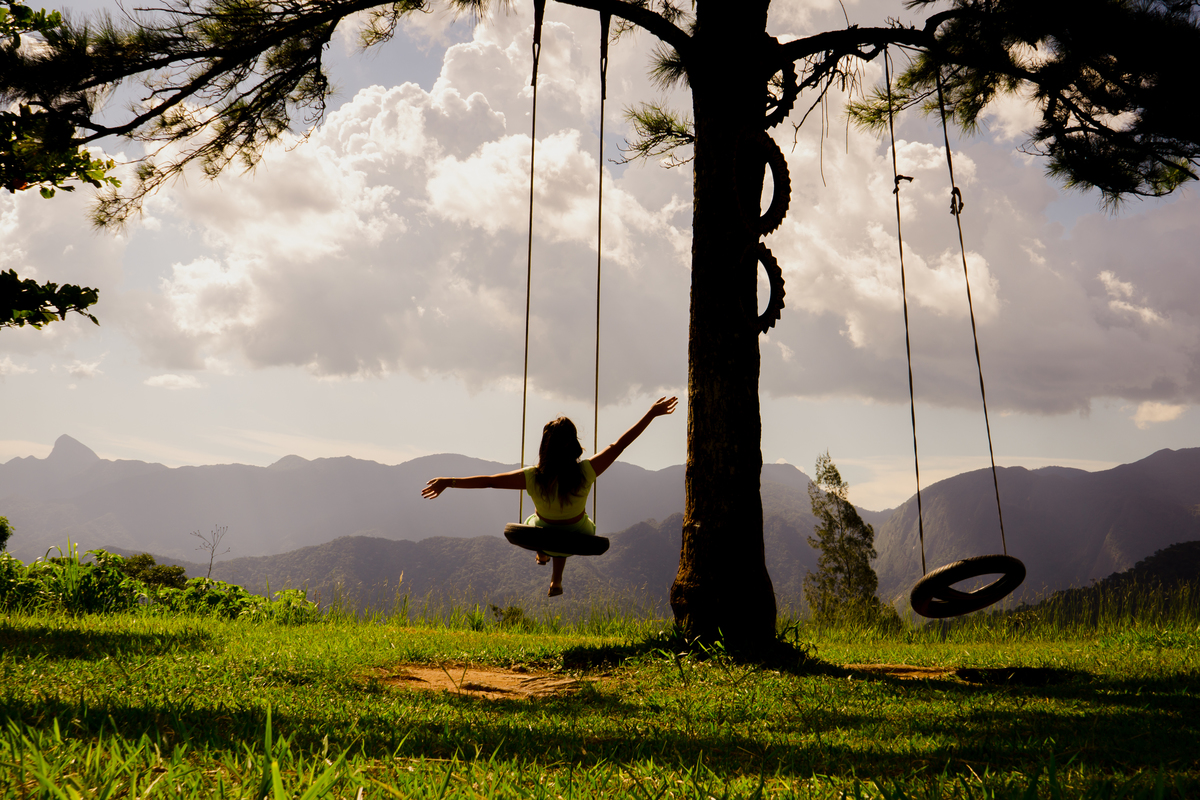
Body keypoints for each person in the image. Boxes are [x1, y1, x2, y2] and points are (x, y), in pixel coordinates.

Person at [421, 396, 678, 596]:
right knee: (569, 528)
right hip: (579, 535)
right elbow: (620, 445)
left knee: (537, 521)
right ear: (575, 444)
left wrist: (449, 482)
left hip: (543, 533)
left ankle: (542, 554)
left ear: (544, 446)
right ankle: (557, 578)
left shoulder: (532, 477)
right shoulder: (586, 471)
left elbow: (489, 482)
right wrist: (651, 414)